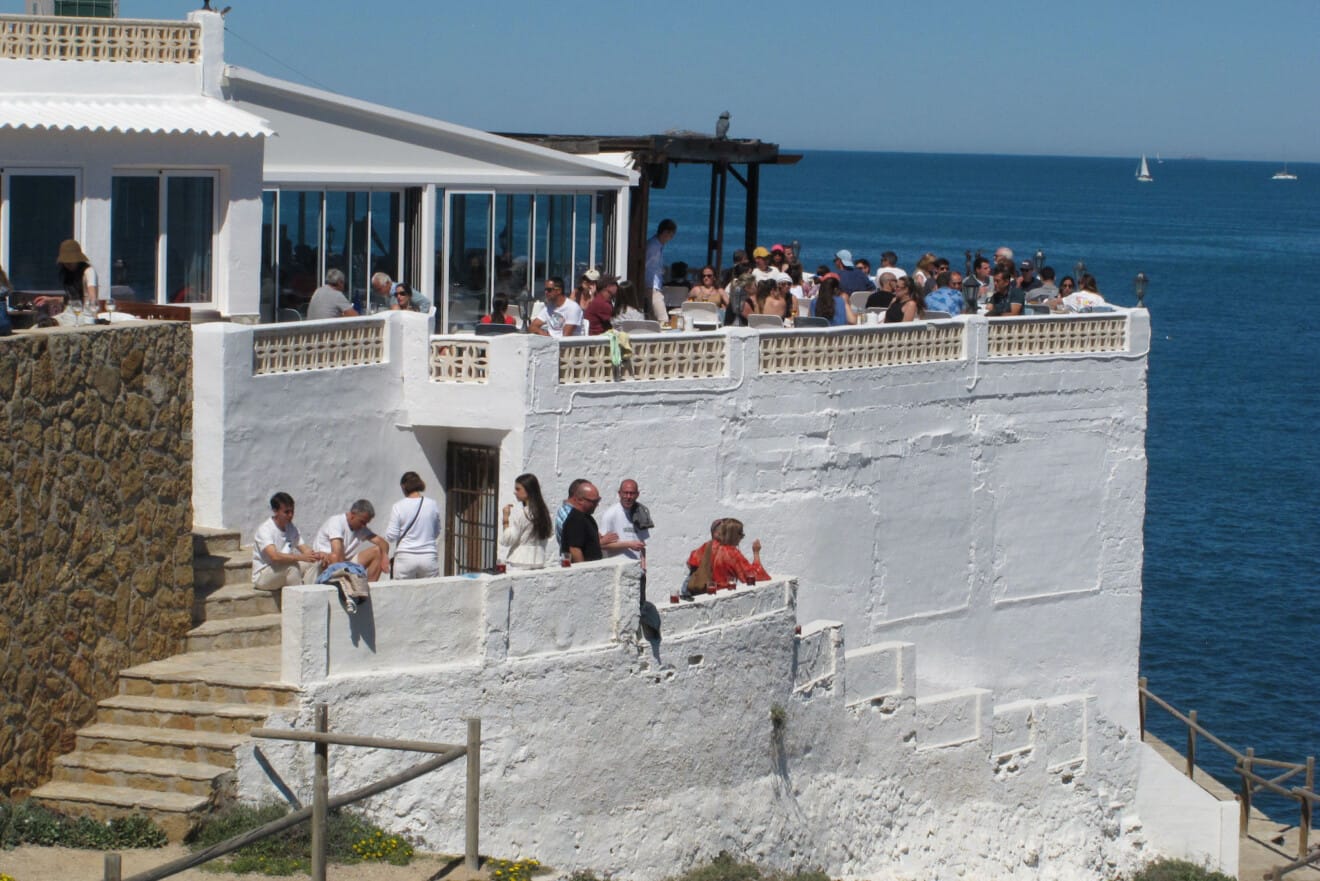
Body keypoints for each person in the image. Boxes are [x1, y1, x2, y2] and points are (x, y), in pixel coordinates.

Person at [251, 492, 326, 591]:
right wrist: (300, 557)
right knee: (292, 567)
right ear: (275, 511)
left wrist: (316, 555)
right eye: (286, 512)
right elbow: (274, 556)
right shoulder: (265, 529)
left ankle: (310, 594)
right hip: (263, 576)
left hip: (283, 570)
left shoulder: (291, 528)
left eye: (292, 511)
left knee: (314, 564)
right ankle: (299, 601)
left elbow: (305, 549)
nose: (290, 515)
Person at [313, 499, 390, 582]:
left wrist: (384, 556)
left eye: (366, 523)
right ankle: (342, 585)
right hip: (325, 562)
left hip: (345, 563)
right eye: (362, 522)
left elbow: (383, 543)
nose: (364, 526)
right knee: (334, 557)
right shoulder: (336, 522)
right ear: (353, 515)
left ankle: (371, 588)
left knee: (378, 551)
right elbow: (337, 552)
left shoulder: (361, 528)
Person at [384, 472, 441, 579]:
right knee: (430, 593)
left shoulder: (398, 506)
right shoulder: (432, 504)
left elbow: (391, 536)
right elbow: (437, 532)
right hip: (428, 557)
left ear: (403, 486)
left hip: (405, 558)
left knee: (402, 593)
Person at [685, 518, 769, 591]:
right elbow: (753, 577)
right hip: (723, 595)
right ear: (734, 535)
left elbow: (691, 562)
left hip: (704, 592)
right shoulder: (732, 553)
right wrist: (756, 552)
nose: (742, 537)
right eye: (740, 533)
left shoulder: (707, 546)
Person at [500, 472, 553, 568]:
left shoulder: (524, 513)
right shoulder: (543, 512)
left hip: (520, 559)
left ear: (528, 490)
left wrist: (505, 519)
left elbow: (508, 540)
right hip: (539, 558)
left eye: (518, 489)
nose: (515, 492)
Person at [559, 481, 618, 563]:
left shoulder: (586, 517)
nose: (597, 505)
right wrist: (583, 571)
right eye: (594, 502)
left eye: (598, 500)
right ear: (580, 500)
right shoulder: (575, 519)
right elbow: (574, 549)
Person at [598, 479, 650, 560]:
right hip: (617, 568)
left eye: (632, 493)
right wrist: (628, 544)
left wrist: (643, 565)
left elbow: (642, 544)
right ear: (619, 493)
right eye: (625, 493)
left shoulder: (641, 513)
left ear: (637, 494)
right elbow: (602, 545)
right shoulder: (611, 514)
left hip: (637, 567)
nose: (628, 497)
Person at [56, 238, 100, 314]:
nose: (68, 264)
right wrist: (51, 299)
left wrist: (92, 307)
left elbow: (92, 297)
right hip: (71, 312)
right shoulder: (69, 274)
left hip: (85, 314)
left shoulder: (89, 272)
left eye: (71, 261)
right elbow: (73, 299)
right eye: (65, 262)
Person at [645, 218, 677, 324]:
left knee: (652, 318)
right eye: (671, 234)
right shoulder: (653, 246)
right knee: (663, 319)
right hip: (651, 286)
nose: (671, 238)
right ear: (665, 232)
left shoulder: (657, 245)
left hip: (653, 285)